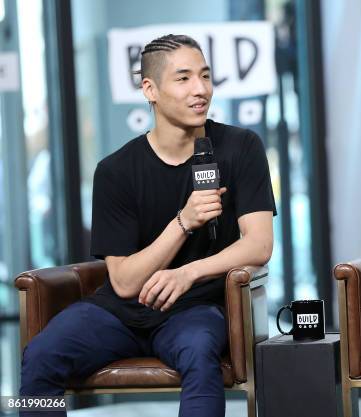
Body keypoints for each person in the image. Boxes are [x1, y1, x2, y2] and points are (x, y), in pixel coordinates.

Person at [19, 34, 276, 417]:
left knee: (198, 353)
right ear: (150, 90)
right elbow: (123, 281)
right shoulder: (115, 171)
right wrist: (183, 222)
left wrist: (187, 274)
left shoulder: (241, 147)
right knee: (40, 356)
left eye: (205, 76)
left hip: (196, 308)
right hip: (119, 312)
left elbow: (259, 245)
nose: (200, 89)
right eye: (184, 78)